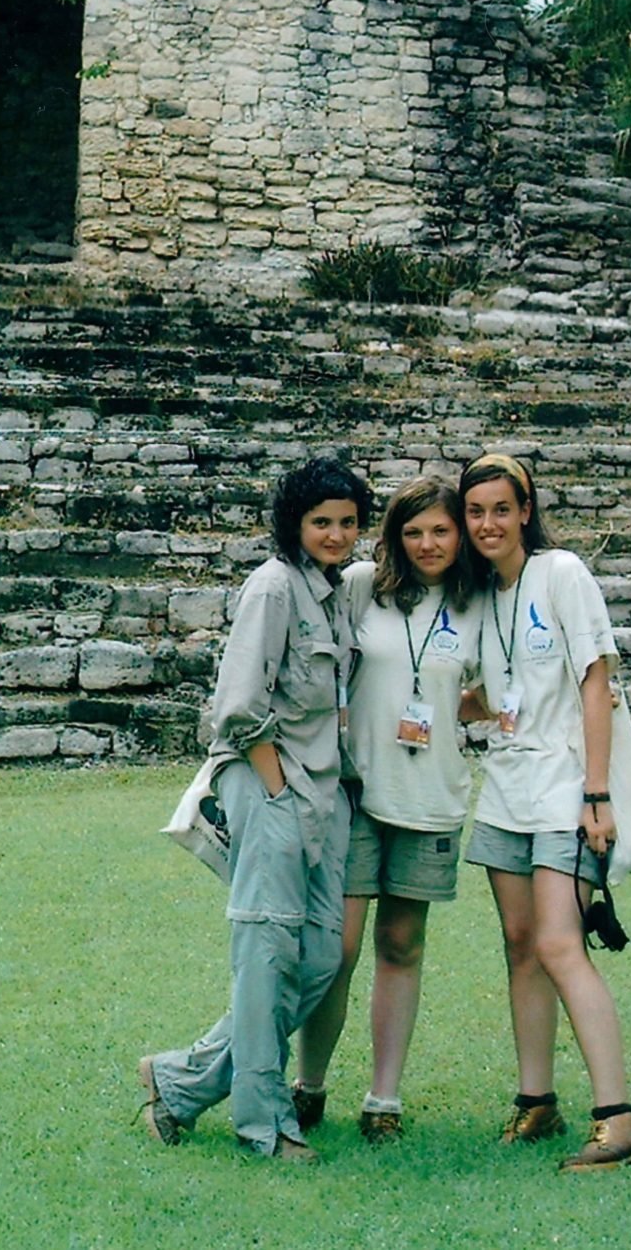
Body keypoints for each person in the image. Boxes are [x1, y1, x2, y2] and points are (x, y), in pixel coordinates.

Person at [137, 455, 371, 1164]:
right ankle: (263, 1125)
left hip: (325, 796)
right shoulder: (272, 588)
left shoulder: (332, 593)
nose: (336, 534)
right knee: (267, 956)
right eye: (321, 521)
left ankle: (181, 1080)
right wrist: (276, 793)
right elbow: (237, 707)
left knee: (323, 956)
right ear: (294, 523)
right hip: (273, 788)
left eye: (348, 522)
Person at [458, 452, 631, 1172]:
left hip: (566, 787)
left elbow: (595, 680)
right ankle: (535, 1100)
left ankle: (620, 1118)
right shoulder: (480, 595)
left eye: (501, 509)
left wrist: (596, 794)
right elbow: (489, 694)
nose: (488, 524)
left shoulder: (562, 573)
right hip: (506, 787)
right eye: (475, 511)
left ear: (526, 510)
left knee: (560, 944)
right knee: (519, 943)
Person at [291, 475, 484, 1143]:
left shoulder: (478, 603)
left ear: (459, 535)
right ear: (394, 537)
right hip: (357, 792)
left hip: (431, 799)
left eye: (440, 530)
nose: (428, 543)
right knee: (334, 949)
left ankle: (383, 1100)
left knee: (402, 945)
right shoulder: (362, 586)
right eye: (413, 530)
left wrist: (452, 711)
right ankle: (308, 1084)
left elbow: (492, 690)